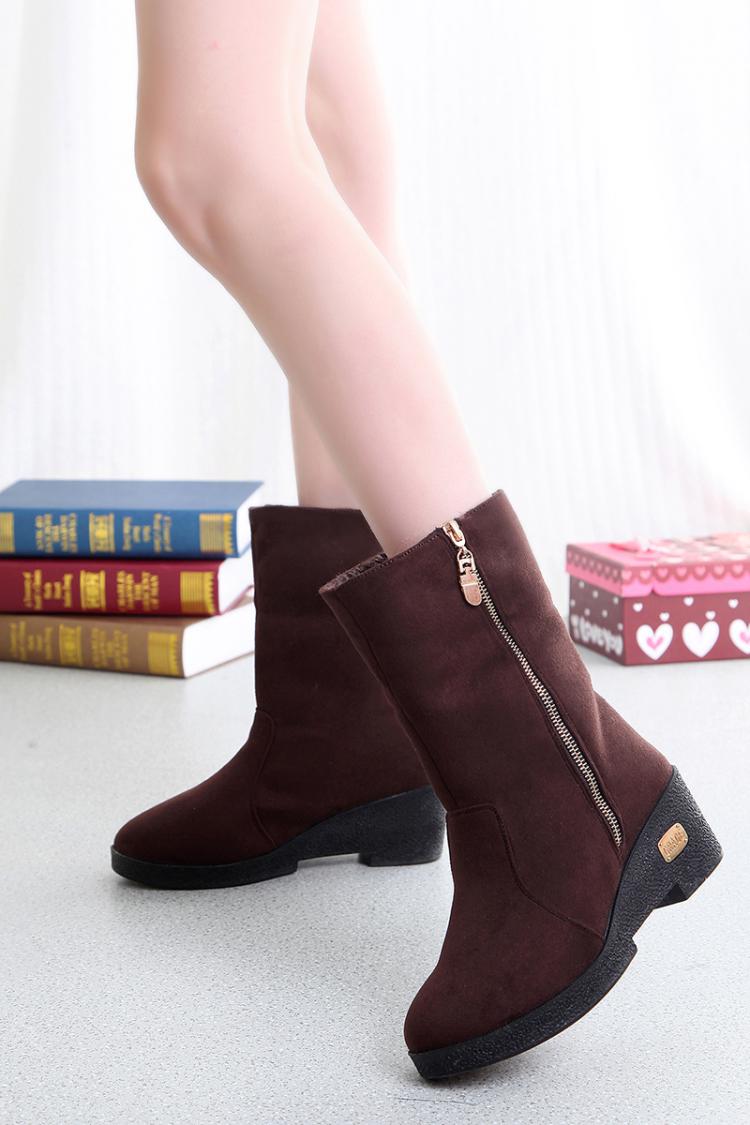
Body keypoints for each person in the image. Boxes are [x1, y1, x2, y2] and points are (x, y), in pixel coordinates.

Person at [112, 0, 722, 1079]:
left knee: (210, 156)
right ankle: (344, 732)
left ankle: (565, 785)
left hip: (563, 765)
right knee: (316, 123)